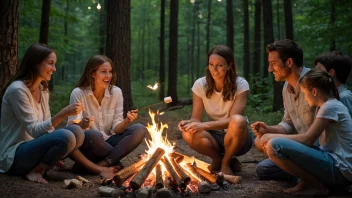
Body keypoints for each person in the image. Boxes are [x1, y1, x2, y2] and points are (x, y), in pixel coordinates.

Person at [0, 44, 85, 183]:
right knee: (66, 136)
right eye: (50, 63)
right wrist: (63, 114)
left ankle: (42, 165)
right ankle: (36, 171)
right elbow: (34, 130)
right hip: (13, 156)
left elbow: (47, 130)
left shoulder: (43, 89)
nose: (54, 69)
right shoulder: (17, 90)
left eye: (54, 64)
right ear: (36, 63)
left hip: (33, 148)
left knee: (77, 132)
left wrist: (53, 151)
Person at [260, 69, 352, 196]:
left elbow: (308, 139)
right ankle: (308, 182)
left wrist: (271, 136)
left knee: (275, 144)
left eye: (304, 92)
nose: (304, 96)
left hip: (341, 169)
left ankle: (316, 186)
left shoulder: (329, 107)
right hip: (335, 164)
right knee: (273, 148)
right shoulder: (329, 106)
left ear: (314, 91)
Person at [178, 45, 253, 175]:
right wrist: (189, 123)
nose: (214, 69)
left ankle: (225, 163)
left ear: (229, 66)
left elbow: (232, 121)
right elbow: (196, 118)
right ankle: (218, 159)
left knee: (238, 120)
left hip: (238, 137)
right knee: (187, 132)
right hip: (213, 137)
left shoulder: (241, 84)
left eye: (219, 65)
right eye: (211, 64)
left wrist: (204, 125)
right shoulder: (200, 84)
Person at [67, 55, 147, 175]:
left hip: (108, 142)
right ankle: (114, 161)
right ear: (92, 73)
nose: (108, 76)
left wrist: (126, 121)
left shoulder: (116, 92)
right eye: (103, 72)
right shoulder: (78, 93)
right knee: (94, 135)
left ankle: (102, 164)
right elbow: (73, 130)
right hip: (88, 144)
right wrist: (83, 124)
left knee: (140, 129)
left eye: (110, 72)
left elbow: (116, 129)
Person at [251, 39, 316, 180]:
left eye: (273, 64)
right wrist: (268, 129)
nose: (269, 69)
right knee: (262, 163)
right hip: (301, 147)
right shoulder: (286, 88)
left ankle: (310, 177)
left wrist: (274, 138)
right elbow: (288, 123)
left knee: (270, 145)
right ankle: (300, 171)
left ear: (289, 62)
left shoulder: (315, 85)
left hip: (320, 150)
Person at [315, 51, 352, 116]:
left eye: (319, 69)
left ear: (331, 73)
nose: (315, 73)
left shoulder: (344, 97)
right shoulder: (330, 96)